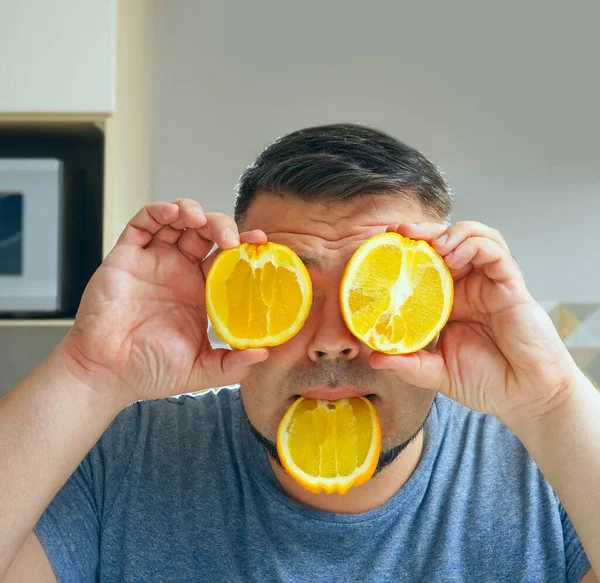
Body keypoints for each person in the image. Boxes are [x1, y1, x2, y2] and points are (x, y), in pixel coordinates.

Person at [0, 124, 598, 583]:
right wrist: (89, 371)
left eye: (373, 297)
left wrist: (552, 400)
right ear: (229, 302)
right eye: (291, 291)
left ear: (433, 306)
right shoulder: (124, 458)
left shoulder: (552, 473)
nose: (331, 339)